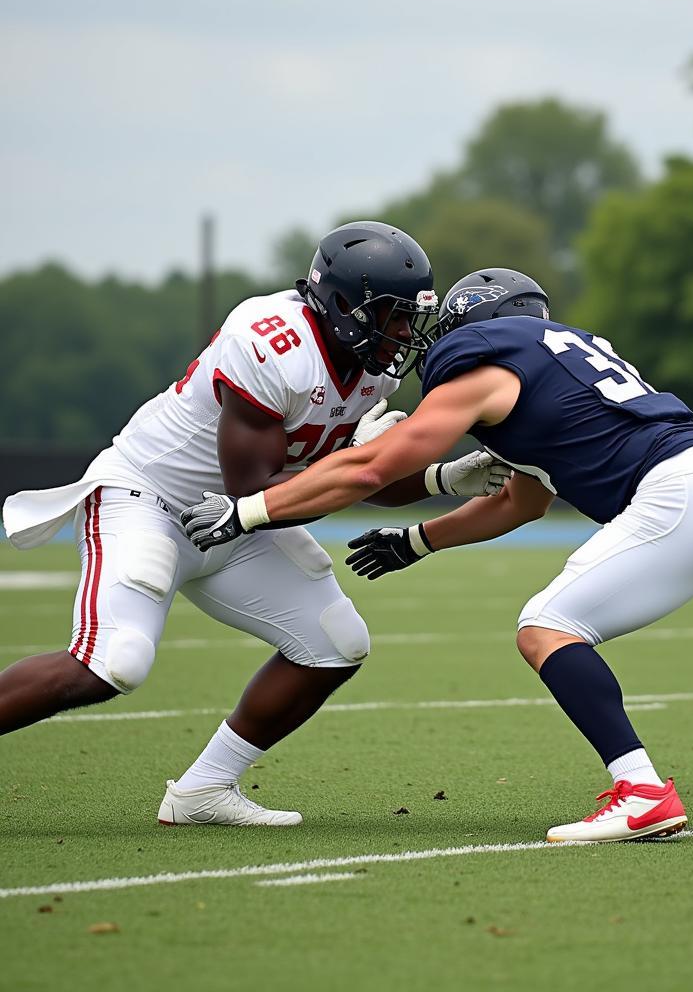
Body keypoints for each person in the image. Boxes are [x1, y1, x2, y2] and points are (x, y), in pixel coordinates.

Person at [181, 267, 693, 840]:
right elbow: (522, 499)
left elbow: (370, 465)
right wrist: (417, 539)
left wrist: (251, 509)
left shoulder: (485, 362)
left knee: (547, 627)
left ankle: (641, 791)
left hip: (682, 493)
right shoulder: (566, 360)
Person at [0, 222, 510, 827]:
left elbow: (327, 484)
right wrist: (354, 465)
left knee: (335, 644)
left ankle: (203, 791)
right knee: (114, 662)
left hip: (237, 525)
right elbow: (258, 490)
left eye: (409, 318)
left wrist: (443, 481)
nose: (402, 334)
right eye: (391, 316)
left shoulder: (373, 366)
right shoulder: (271, 344)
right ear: (343, 305)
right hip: (151, 501)